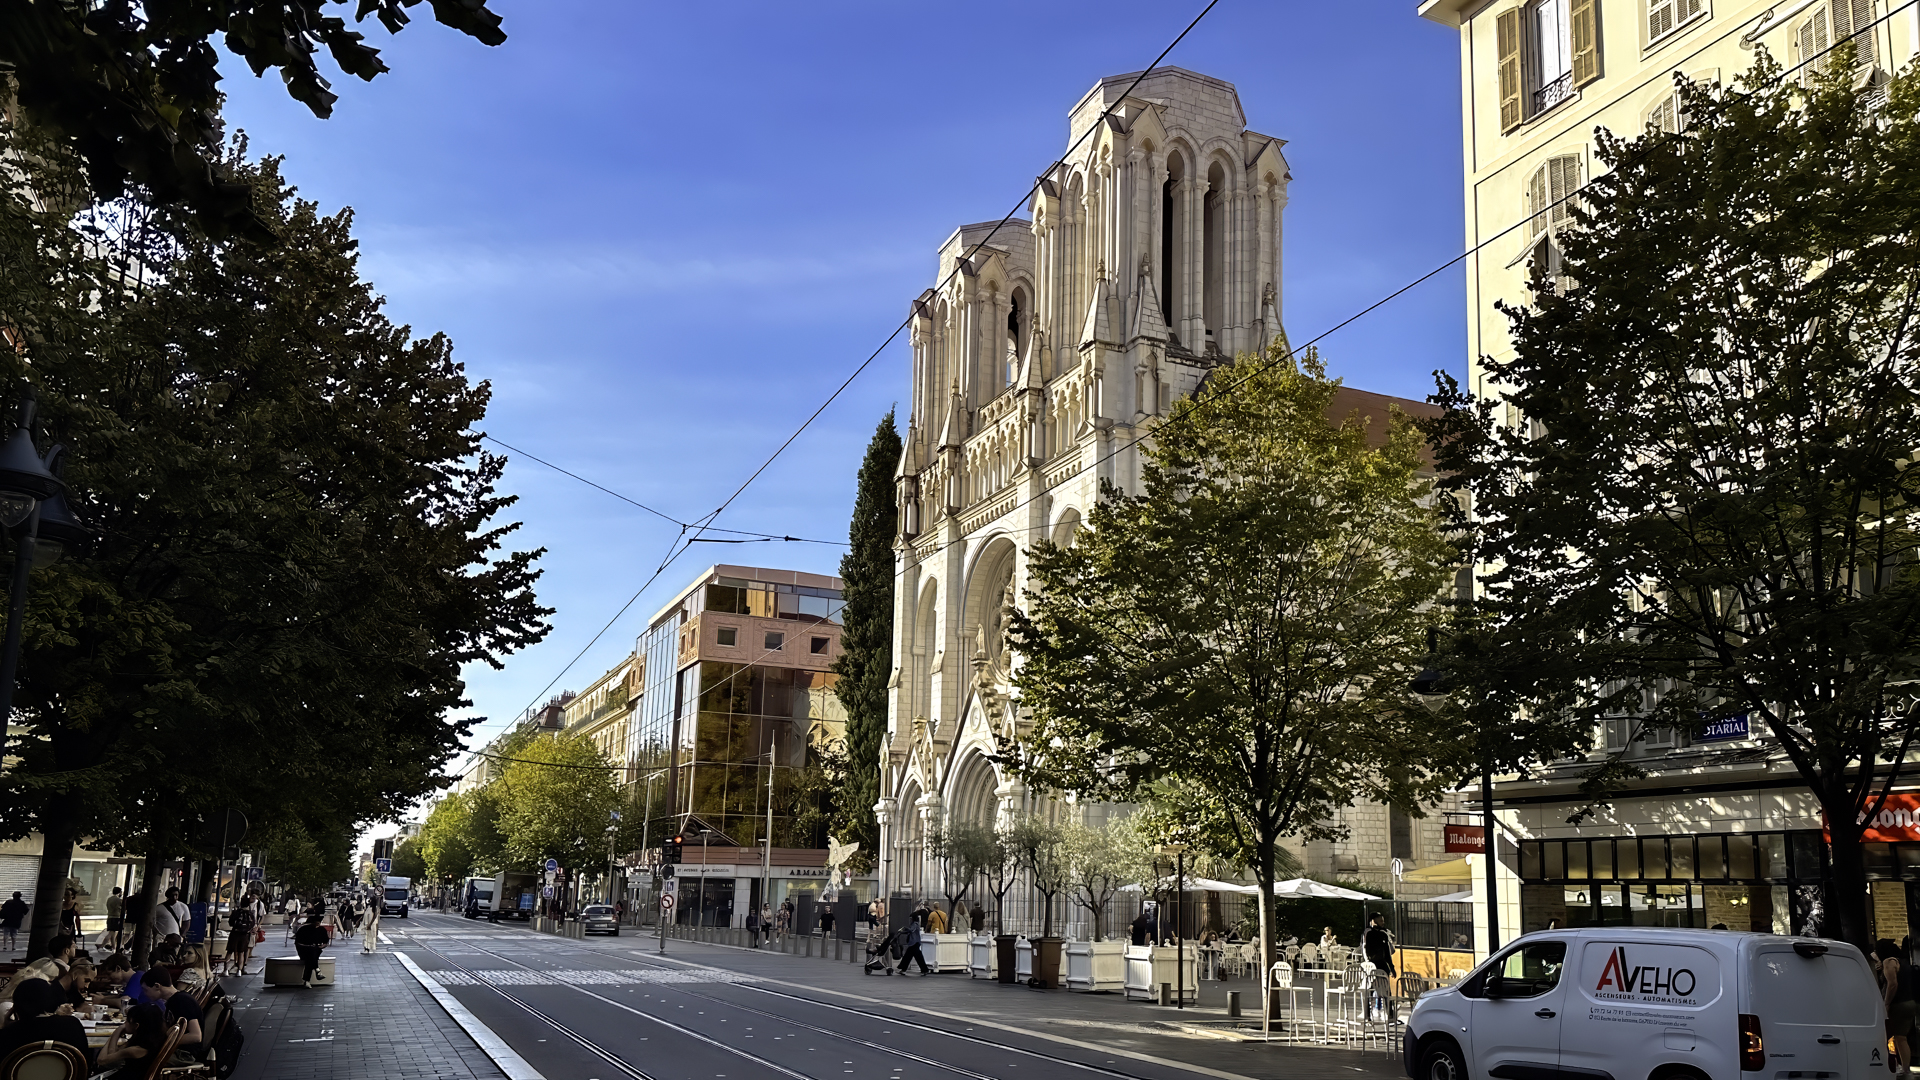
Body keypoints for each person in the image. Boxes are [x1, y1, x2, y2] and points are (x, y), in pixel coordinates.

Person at [0, 978, 90, 1064]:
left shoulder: (9, 1034)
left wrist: (6, 1027)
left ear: (16, 1005)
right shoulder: (73, 1025)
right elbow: (85, 1061)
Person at [140, 966, 204, 1056]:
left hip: (184, 1054)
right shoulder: (172, 1001)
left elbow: (196, 1036)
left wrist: (162, 1042)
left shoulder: (183, 1001)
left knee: (140, 1055)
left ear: (157, 986)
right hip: (175, 1049)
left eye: (145, 990)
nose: (144, 993)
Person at [95, 1002, 168, 1077]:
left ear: (136, 1026)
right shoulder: (155, 1040)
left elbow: (102, 1060)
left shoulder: (135, 1050)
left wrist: (117, 1032)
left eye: (127, 1020)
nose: (125, 1023)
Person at [0, 933, 76, 1004]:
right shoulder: (57, 971)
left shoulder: (42, 963)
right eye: (73, 946)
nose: (75, 948)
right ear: (67, 951)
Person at [1882, 937, 1919, 1070]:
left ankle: (1905, 1068)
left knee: (1899, 1037)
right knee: (1901, 1037)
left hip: (1899, 1004)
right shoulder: (1903, 962)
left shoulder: (1888, 962)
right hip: (1910, 1002)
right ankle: (1904, 1067)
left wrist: (1886, 1003)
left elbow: (1892, 984)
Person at [1363, 913, 1397, 1020]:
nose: (1383, 923)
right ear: (1373, 921)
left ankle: (1390, 1013)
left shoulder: (1383, 934)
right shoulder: (1368, 932)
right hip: (1371, 965)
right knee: (1369, 989)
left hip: (1382, 965)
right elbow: (1365, 949)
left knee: (1386, 990)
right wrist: (1368, 963)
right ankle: (1367, 1015)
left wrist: (1391, 968)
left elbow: (1387, 953)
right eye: (1380, 920)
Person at [294, 913, 330, 988]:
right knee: (311, 956)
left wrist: (322, 946)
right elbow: (298, 942)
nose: (318, 924)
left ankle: (307, 980)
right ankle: (317, 970)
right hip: (304, 950)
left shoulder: (321, 930)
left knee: (310, 959)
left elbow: (325, 942)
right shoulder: (304, 929)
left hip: (315, 950)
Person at [105, 886, 126, 951]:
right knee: (111, 933)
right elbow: (123, 908)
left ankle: (113, 947)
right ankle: (102, 945)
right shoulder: (118, 900)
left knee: (113, 934)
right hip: (116, 917)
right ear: (119, 892)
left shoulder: (109, 899)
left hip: (110, 917)